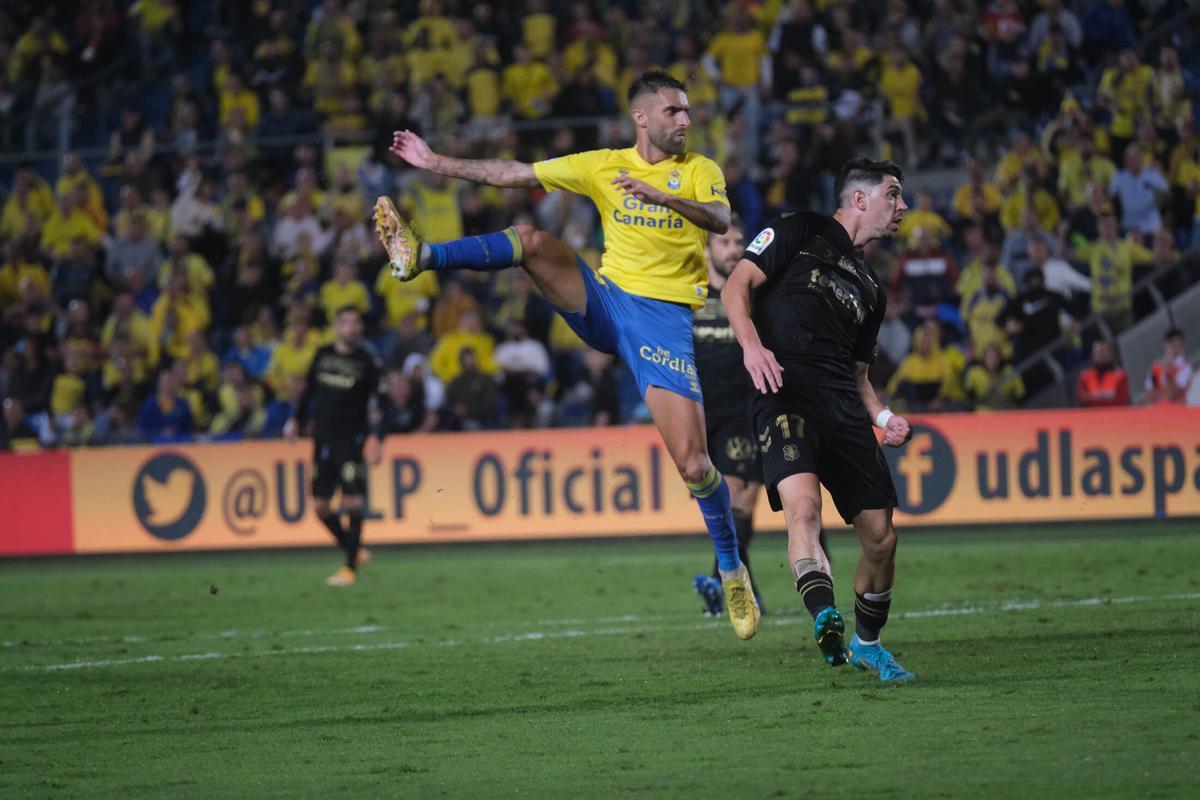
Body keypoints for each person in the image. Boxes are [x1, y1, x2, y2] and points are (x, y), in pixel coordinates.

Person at [376, 70, 759, 639]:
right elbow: (514, 174)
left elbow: (721, 220)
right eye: (674, 111)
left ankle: (731, 567)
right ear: (643, 118)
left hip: (663, 321)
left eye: (686, 111)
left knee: (696, 466)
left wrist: (663, 195)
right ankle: (421, 255)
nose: (685, 120)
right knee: (529, 239)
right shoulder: (602, 164)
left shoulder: (701, 172)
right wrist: (436, 163)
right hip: (607, 303)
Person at [722, 158, 916, 681]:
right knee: (803, 512)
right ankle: (824, 615)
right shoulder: (797, 229)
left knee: (881, 538)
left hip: (843, 409)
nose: (902, 207)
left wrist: (885, 416)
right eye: (893, 195)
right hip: (783, 395)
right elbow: (734, 288)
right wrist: (752, 348)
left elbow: (859, 379)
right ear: (859, 199)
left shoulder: (871, 289)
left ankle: (868, 644)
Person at [284, 307, 385, 587]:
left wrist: (377, 437)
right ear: (336, 327)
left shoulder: (368, 361)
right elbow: (308, 393)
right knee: (319, 506)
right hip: (323, 439)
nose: (351, 328)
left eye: (356, 323)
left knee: (352, 501)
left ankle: (349, 568)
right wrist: (296, 420)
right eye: (346, 323)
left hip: (352, 439)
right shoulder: (323, 355)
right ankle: (353, 549)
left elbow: (380, 403)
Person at [1144, 327, 1192, 405]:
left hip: (1177, 410)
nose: (1174, 346)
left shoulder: (1185, 367)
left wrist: (1168, 372)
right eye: (1171, 342)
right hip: (1159, 411)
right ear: (1165, 344)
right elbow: (1149, 394)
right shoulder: (1156, 367)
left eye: (1177, 343)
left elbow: (1172, 394)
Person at [1076, 339, 1130, 407]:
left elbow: (1123, 402)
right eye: (1099, 353)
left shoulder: (1120, 375)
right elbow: (1082, 401)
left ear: (1110, 355)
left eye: (1104, 353)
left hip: (1114, 415)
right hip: (1093, 416)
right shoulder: (1085, 376)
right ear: (1093, 355)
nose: (1102, 356)